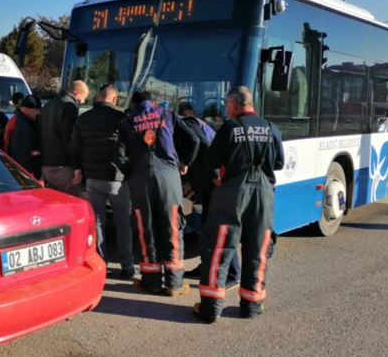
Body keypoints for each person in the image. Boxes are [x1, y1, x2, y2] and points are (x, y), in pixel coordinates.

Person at [193, 86, 284, 323]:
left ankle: (211, 308)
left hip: (233, 192)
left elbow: (210, 161)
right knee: (258, 248)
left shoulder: (230, 128)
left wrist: (218, 178)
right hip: (263, 194)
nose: (225, 108)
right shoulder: (270, 127)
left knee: (220, 247)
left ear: (234, 104)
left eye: (226, 104)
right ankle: (251, 306)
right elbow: (279, 162)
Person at [116, 91, 199, 296]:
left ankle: (151, 281)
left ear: (134, 104)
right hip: (169, 176)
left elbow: (118, 155)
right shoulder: (167, 114)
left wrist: (131, 173)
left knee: (146, 228)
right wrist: (184, 163)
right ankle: (174, 283)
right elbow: (194, 140)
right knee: (171, 225)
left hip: (139, 178)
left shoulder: (128, 121)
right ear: (151, 102)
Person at [70, 84, 134, 279]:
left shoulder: (83, 118)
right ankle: (127, 266)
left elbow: (75, 148)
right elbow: (130, 148)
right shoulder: (121, 119)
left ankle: (101, 262)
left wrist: (79, 170)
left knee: (98, 222)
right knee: (123, 223)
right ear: (114, 100)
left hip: (92, 179)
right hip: (117, 179)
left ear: (97, 98)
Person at [178, 102, 241, 288]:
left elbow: (205, 150)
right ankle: (206, 266)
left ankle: (233, 273)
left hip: (214, 184)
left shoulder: (188, 124)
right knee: (206, 229)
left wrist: (210, 178)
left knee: (219, 230)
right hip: (207, 183)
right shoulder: (190, 125)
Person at [40, 80, 89, 196]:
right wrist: (77, 167)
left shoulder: (48, 105)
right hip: (63, 167)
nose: (82, 102)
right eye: (82, 98)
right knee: (71, 205)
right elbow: (69, 139)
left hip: (46, 165)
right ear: (76, 92)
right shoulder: (69, 107)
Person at [6, 95, 42, 177]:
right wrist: (27, 175)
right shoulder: (21, 126)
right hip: (25, 174)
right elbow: (21, 154)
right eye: (37, 110)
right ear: (27, 109)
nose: (38, 113)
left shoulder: (21, 121)